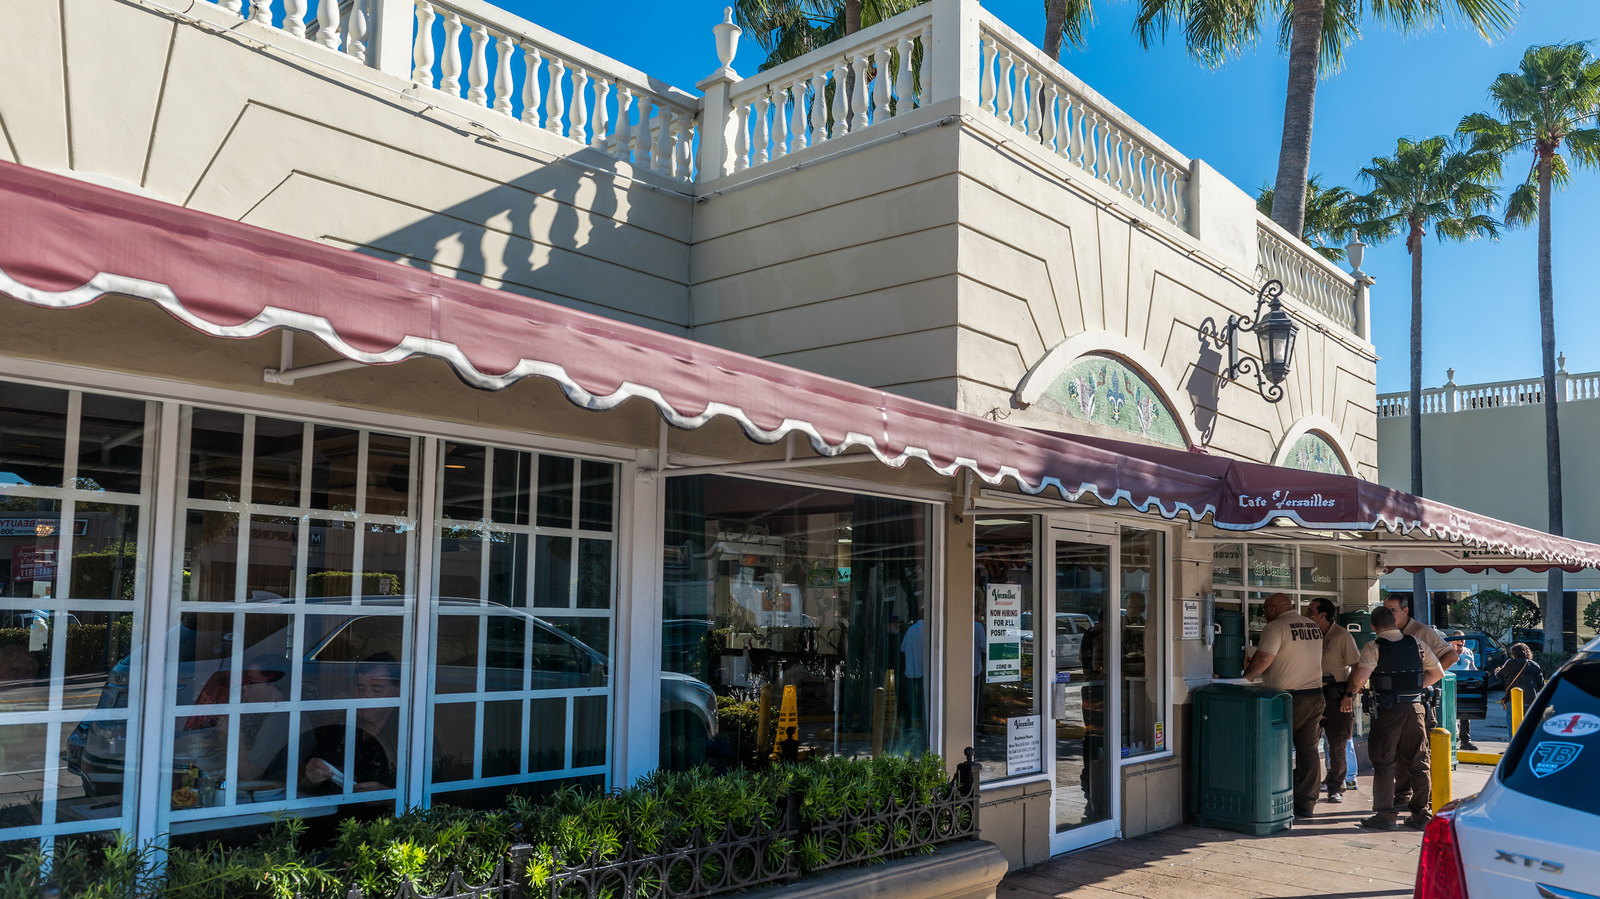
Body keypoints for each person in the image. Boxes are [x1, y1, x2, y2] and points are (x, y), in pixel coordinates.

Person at [1347, 605, 1442, 831]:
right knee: (1419, 762)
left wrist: (1356, 689)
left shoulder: (1374, 647)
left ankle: (1386, 816)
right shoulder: (1417, 644)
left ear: (1373, 627)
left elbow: (1360, 678)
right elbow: (1438, 673)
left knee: (1384, 762)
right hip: (1416, 708)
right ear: (1395, 623)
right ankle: (1421, 814)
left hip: (1388, 711)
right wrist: (1415, 688)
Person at [1241, 593, 1326, 819]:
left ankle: (1276, 798)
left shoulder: (1276, 627)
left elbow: (1263, 660)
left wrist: (1246, 677)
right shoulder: (1312, 625)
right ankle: (1306, 803)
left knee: (1277, 750)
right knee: (1308, 751)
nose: (1264, 613)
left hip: (1287, 699)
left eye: (1266, 608)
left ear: (1275, 608)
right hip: (1315, 695)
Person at [1382, 595, 1456, 809]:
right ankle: (1403, 793)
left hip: (1420, 700)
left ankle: (1427, 798)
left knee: (1421, 751)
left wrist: (1422, 682)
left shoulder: (1422, 631)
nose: (1389, 614)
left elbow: (1451, 656)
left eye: (1393, 610)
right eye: (1385, 610)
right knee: (1399, 750)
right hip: (1396, 701)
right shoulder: (1386, 632)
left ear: (1405, 611)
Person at [305, 654, 401, 794]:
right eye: (360, 688)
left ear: (396, 692)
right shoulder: (345, 724)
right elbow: (309, 780)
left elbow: (433, 808)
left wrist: (386, 796)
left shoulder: (409, 732)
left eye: (376, 689)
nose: (365, 696)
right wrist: (312, 776)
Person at [1310, 599, 1360, 802]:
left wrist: (1349, 695)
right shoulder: (1311, 633)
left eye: (1311, 610)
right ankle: (1310, 786)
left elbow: (1356, 667)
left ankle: (1335, 786)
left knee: (1338, 743)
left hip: (1336, 694)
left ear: (1323, 615)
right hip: (1312, 693)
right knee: (1308, 742)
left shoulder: (1341, 635)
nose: (1307, 614)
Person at [236, 655, 292, 782]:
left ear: (272, 686)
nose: (244, 687)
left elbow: (249, 775)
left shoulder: (278, 720)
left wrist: (234, 733)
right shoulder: (282, 713)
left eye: (251, 681)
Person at [1494, 642, 1546, 722]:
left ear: (1513, 652)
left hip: (1513, 699)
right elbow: (1541, 685)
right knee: (1528, 725)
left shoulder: (1511, 663)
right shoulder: (1535, 665)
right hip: (1531, 700)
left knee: (1513, 724)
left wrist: (1497, 671)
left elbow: (1500, 675)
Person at [1447, 631, 1479, 750]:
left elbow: (1472, 667)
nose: (1461, 642)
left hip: (1464, 686)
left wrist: (1477, 677)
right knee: (1450, 713)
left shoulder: (1468, 652)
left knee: (1466, 713)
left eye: (1463, 640)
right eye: (1458, 639)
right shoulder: (1446, 651)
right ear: (1451, 641)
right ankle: (1452, 739)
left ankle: (1466, 741)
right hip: (1449, 686)